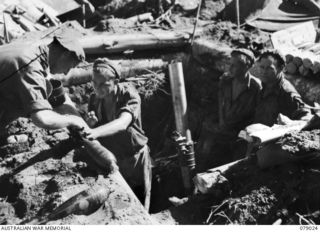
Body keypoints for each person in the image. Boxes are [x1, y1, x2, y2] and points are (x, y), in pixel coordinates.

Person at [84, 58, 152, 210]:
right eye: (94, 83)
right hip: (113, 159)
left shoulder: (129, 95)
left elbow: (122, 123)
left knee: (139, 201)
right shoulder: (94, 99)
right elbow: (92, 126)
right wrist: (91, 124)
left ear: (115, 81)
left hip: (135, 158)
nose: (97, 88)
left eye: (103, 84)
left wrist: (94, 131)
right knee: (119, 202)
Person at [0, 35, 89, 137]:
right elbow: (42, 119)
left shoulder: (30, 50)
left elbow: (47, 78)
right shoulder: (30, 67)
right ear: (65, 54)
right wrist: (72, 120)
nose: (65, 73)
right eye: (69, 67)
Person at [197, 48, 262, 170]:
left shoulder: (255, 87)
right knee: (203, 154)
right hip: (222, 127)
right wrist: (218, 122)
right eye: (229, 64)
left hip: (238, 134)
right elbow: (218, 103)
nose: (229, 69)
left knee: (233, 166)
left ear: (246, 67)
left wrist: (241, 133)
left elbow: (256, 116)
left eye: (234, 66)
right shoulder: (225, 80)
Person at [253, 50, 311, 126]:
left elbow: (305, 116)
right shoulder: (262, 85)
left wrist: (290, 124)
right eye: (262, 67)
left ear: (281, 68)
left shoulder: (287, 93)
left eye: (269, 68)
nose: (264, 72)